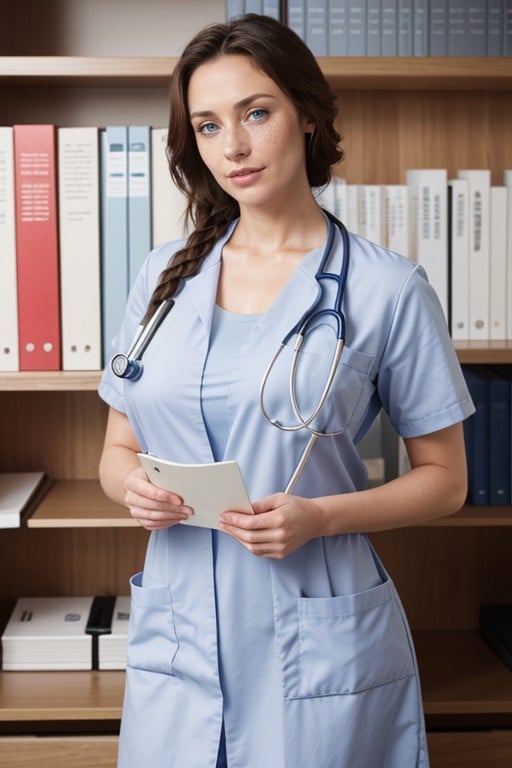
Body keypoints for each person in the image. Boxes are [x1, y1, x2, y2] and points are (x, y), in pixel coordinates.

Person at [98, 13, 474, 768]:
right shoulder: (162, 275)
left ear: (306, 114)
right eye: (207, 126)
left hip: (316, 628)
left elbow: (446, 483)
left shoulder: (384, 288)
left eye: (255, 113)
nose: (231, 147)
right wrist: (133, 489)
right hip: (180, 634)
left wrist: (318, 518)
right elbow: (117, 450)